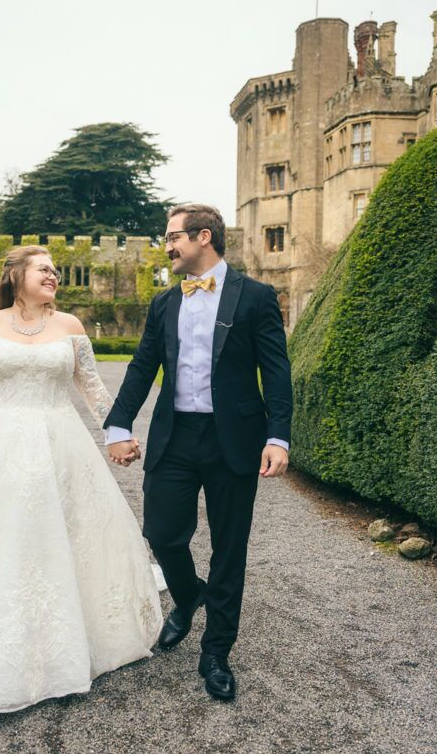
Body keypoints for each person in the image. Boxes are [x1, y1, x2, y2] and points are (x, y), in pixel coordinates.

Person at [0, 245, 163, 716]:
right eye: (44, 269)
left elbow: (93, 389)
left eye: (55, 271)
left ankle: (70, 630)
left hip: (59, 444)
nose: (53, 277)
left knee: (63, 531)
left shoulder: (70, 327)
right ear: (16, 275)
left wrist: (119, 435)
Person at [104, 203, 293, 701]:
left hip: (235, 440)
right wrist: (118, 424)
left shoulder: (255, 298)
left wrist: (278, 437)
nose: (166, 246)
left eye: (172, 237)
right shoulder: (165, 303)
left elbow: (275, 372)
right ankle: (188, 596)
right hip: (175, 436)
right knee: (162, 533)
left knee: (230, 549)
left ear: (202, 237)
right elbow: (144, 367)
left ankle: (216, 653)